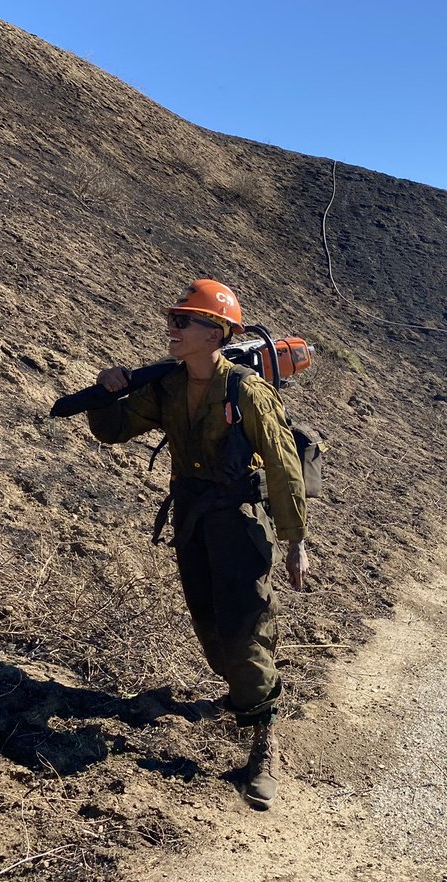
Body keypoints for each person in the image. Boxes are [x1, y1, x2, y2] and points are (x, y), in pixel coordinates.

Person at [87, 279, 309, 811]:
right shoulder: (167, 386)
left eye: (184, 321)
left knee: (244, 628)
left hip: (238, 523)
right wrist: (105, 390)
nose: (173, 327)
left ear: (216, 333)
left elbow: (284, 467)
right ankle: (240, 694)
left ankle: (264, 741)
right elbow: (113, 430)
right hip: (192, 521)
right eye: (173, 319)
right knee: (209, 625)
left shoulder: (247, 392)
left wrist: (296, 540)